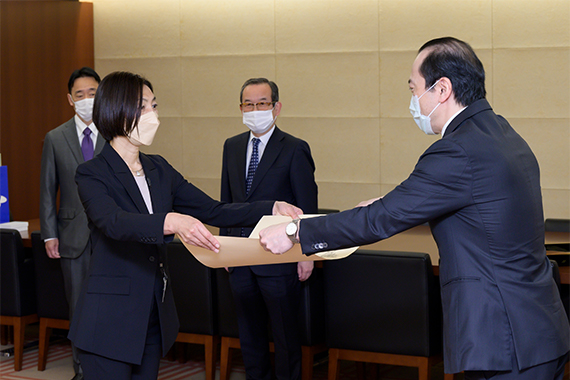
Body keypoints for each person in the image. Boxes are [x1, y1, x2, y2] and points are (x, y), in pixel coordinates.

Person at [259, 37, 570, 380]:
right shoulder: (502, 133)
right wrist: (389, 203)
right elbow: (465, 200)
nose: (412, 101)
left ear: (442, 90)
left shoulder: (457, 150)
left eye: (414, 88)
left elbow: (379, 222)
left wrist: (295, 231)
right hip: (540, 327)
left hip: (504, 339)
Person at [67, 71, 302, 380]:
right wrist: (171, 220)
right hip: (109, 319)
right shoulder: (92, 173)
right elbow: (113, 222)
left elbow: (214, 210)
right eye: (143, 107)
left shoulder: (159, 168)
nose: (152, 115)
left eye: (154, 105)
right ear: (116, 109)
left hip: (152, 315)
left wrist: (270, 206)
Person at [220, 78, 318, 380]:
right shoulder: (232, 146)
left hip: (280, 258)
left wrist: (307, 255)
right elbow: (227, 201)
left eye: (262, 103)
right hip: (239, 257)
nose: (255, 109)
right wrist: (225, 248)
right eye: (248, 104)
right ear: (240, 108)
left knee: (286, 336)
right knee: (249, 336)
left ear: (276, 107)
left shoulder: (294, 149)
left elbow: (307, 207)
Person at [40, 66, 103, 380]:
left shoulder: (117, 132)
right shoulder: (55, 137)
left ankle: (110, 366)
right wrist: (49, 234)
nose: (87, 99)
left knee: (109, 306)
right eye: (80, 94)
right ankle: (82, 370)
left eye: (93, 93)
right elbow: (48, 190)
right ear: (70, 99)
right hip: (72, 237)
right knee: (78, 308)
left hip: (111, 236)